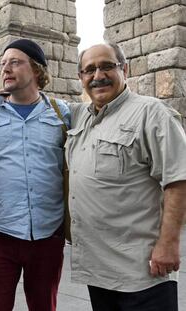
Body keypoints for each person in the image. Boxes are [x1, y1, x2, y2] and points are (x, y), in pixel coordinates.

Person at [66, 43, 186, 311]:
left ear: (124, 69)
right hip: (99, 269)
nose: (98, 75)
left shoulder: (152, 113)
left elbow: (179, 180)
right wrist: (4, 95)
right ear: (81, 78)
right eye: (89, 70)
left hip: (142, 271)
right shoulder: (80, 117)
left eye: (107, 66)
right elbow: (40, 103)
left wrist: (168, 244)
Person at [0, 39, 70, 310]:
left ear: (37, 71)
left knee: (44, 306)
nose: (6, 68)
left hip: (48, 234)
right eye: (3, 64)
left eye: (15, 62)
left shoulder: (62, 113)